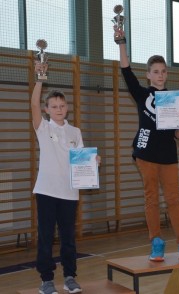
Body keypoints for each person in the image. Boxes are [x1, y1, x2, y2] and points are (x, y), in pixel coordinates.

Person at [113, 27, 179, 262]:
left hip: (168, 155)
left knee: (174, 200)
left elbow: (178, 136)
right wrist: (121, 42)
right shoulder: (142, 94)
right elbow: (125, 69)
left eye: (163, 71)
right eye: (156, 71)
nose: (161, 75)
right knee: (151, 198)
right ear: (149, 75)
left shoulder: (173, 99)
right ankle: (156, 242)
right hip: (145, 153)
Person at [32, 62, 98, 294]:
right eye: (53, 106)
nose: (59, 109)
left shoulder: (75, 132)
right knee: (46, 237)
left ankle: (70, 277)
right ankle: (46, 280)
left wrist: (92, 163)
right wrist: (40, 78)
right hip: (47, 192)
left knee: (68, 238)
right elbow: (33, 105)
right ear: (47, 109)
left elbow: (79, 161)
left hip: (69, 193)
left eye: (62, 105)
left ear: (67, 107)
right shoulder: (43, 128)